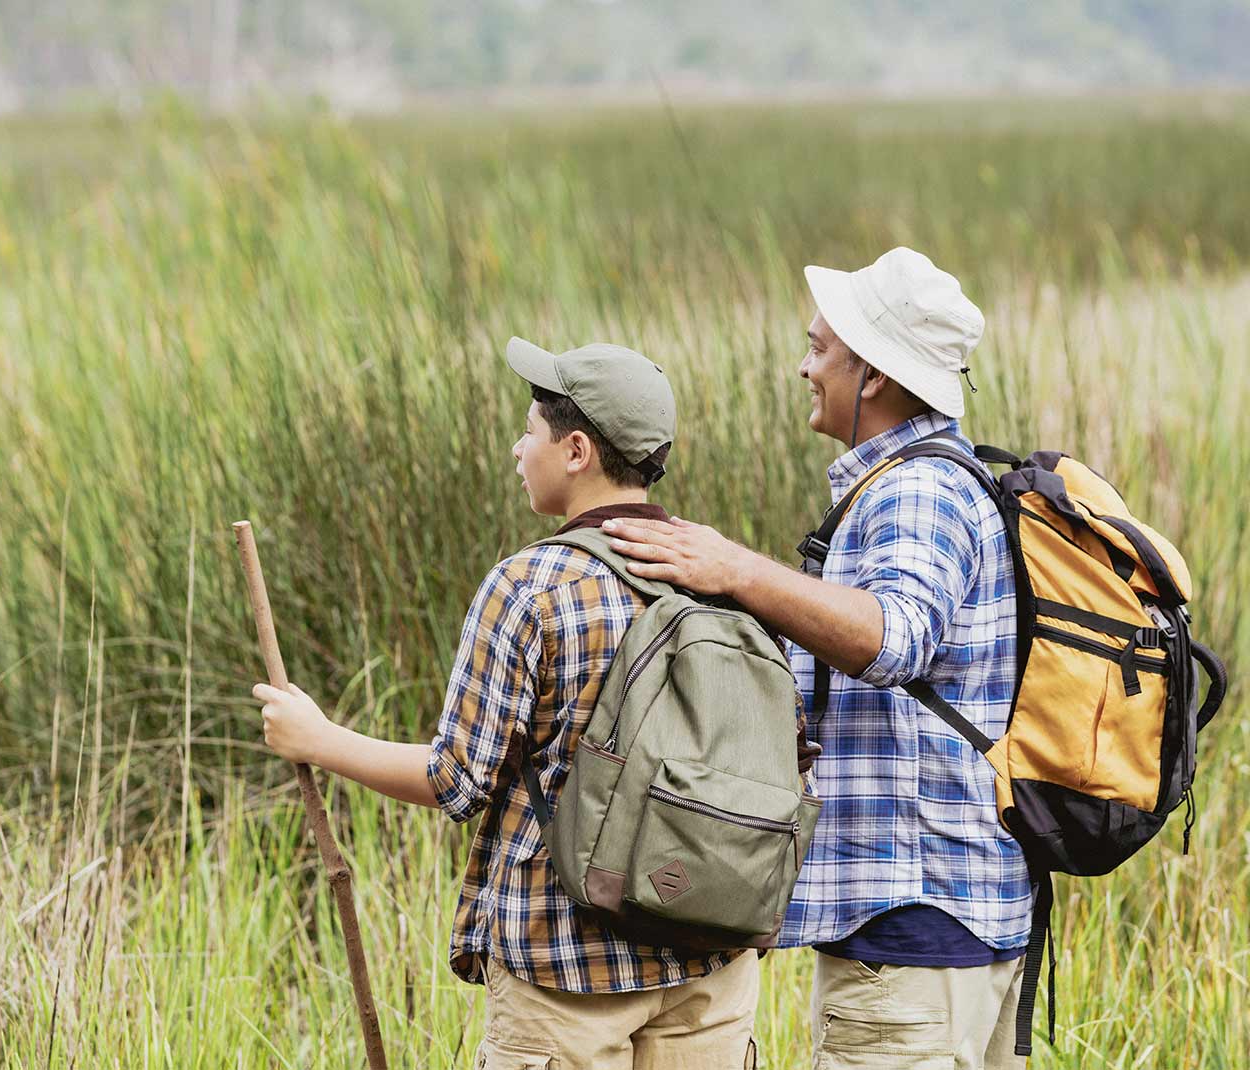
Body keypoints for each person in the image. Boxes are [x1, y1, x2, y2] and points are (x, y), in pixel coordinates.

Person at [251, 337, 762, 1070]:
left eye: (529, 432)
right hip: (712, 960)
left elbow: (456, 782)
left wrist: (318, 738)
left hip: (566, 969)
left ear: (577, 450)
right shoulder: (721, 573)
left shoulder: (531, 586)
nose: (518, 450)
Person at [600, 247, 1033, 1070]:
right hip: (944, 926)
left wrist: (734, 568)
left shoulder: (917, 491)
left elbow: (894, 637)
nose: (805, 367)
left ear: (871, 374)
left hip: (912, 930)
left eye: (820, 349)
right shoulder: (925, 482)